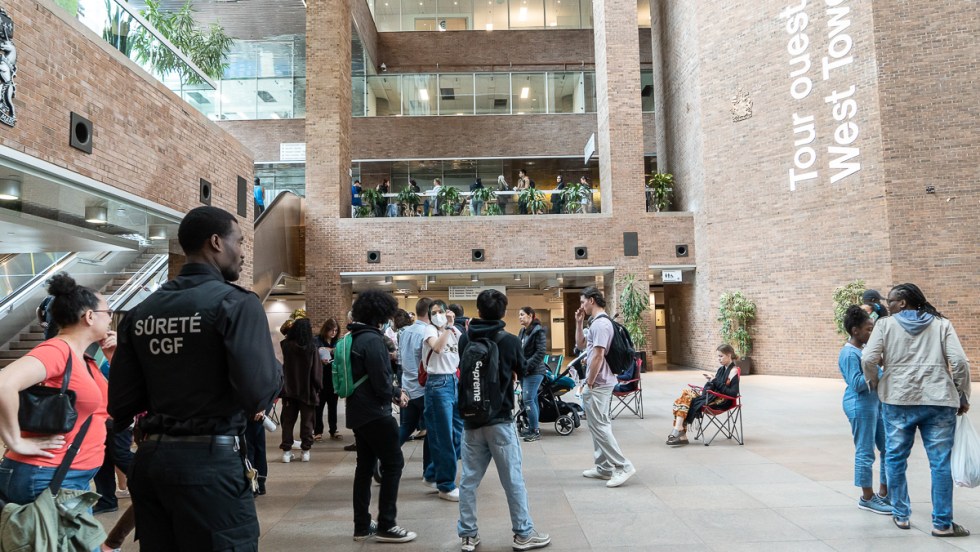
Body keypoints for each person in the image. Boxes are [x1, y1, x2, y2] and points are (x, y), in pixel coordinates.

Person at [108, 205, 282, 551]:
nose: (244, 252)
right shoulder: (235, 304)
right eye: (241, 241)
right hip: (210, 467)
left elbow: (122, 403)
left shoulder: (141, 312)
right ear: (216, 242)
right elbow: (257, 394)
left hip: (152, 466)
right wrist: (273, 367)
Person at [862, 283, 971, 536]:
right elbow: (960, 362)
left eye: (891, 301)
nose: (887, 305)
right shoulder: (941, 324)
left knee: (896, 458)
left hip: (898, 399)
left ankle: (901, 516)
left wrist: (877, 383)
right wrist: (962, 393)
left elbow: (868, 359)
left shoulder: (885, 325)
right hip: (939, 400)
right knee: (940, 463)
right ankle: (942, 524)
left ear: (903, 302)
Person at [0, 273, 113, 508]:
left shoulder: (84, 359)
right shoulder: (57, 350)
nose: (111, 319)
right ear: (89, 316)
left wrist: (114, 359)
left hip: (67, 476)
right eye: (108, 312)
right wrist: (15, 441)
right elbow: (4, 383)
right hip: (48, 476)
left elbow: (113, 408)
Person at [458, 289, 551, 552]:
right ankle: (523, 534)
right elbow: (523, 369)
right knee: (512, 479)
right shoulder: (509, 340)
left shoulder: (465, 339)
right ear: (503, 312)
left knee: (468, 480)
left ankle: (468, 535)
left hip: (471, 420)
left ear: (477, 311)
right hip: (500, 420)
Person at [346, 289, 417, 543]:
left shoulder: (352, 337)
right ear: (381, 314)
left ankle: (362, 525)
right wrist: (398, 393)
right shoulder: (373, 340)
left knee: (364, 468)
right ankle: (387, 524)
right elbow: (381, 382)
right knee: (393, 464)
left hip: (357, 412)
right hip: (376, 413)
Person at [575, 286, 635, 487]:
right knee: (597, 425)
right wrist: (579, 322)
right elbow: (582, 345)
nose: (582, 306)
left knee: (599, 426)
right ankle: (603, 467)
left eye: (583, 302)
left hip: (599, 383)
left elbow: (599, 355)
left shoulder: (601, 325)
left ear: (592, 300)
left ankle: (623, 466)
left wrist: (589, 382)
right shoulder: (595, 323)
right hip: (600, 382)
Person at [838, 306, 890, 514]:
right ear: (855, 330)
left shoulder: (862, 351)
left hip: (874, 403)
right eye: (868, 329)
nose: (871, 333)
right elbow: (857, 383)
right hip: (859, 405)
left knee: (888, 447)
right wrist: (876, 365)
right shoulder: (849, 353)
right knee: (865, 451)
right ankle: (867, 497)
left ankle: (885, 493)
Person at [422, 299, 463, 501]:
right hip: (437, 384)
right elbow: (437, 348)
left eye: (441, 311)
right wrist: (446, 327)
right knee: (443, 436)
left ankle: (432, 473)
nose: (437, 314)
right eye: (434, 312)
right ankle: (445, 485)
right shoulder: (430, 330)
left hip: (453, 381)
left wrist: (452, 327)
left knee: (458, 434)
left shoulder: (456, 332)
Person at [666, 344, 741, 446]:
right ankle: (680, 432)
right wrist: (711, 381)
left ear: (729, 355)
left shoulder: (733, 371)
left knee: (687, 398)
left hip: (722, 401)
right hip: (712, 396)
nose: (719, 359)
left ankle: (680, 432)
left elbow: (733, 393)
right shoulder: (721, 369)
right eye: (718, 356)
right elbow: (716, 385)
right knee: (685, 396)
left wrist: (714, 381)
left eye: (721, 356)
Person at [398, 298, 433, 484]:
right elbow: (427, 363)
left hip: (407, 386)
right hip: (423, 387)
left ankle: (384, 458)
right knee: (429, 430)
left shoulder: (405, 332)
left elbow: (401, 360)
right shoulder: (427, 333)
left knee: (406, 426)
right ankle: (428, 470)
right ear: (429, 313)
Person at [279, 316, 322, 463]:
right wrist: (318, 387)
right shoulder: (312, 348)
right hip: (307, 391)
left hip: (289, 390)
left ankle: (286, 452)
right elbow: (316, 372)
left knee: (288, 422)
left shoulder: (286, 345)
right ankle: (305, 451)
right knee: (307, 422)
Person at [517, 306, 548, 442]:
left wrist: (526, 365)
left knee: (528, 399)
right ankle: (532, 427)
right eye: (519, 315)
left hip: (535, 371)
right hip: (525, 371)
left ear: (530, 316)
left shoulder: (538, 331)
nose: (520, 317)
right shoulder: (523, 331)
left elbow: (540, 352)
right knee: (532, 399)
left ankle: (535, 431)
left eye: (522, 314)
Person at [314, 318, 342, 441]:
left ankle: (333, 429)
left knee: (333, 406)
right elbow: (312, 355)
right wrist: (321, 359)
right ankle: (318, 431)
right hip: (320, 377)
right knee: (318, 406)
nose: (334, 333)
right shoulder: (317, 340)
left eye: (336, 330)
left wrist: (332, 351)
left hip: (333, 377)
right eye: (332, 330)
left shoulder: (337, 342)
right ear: (326, 329)